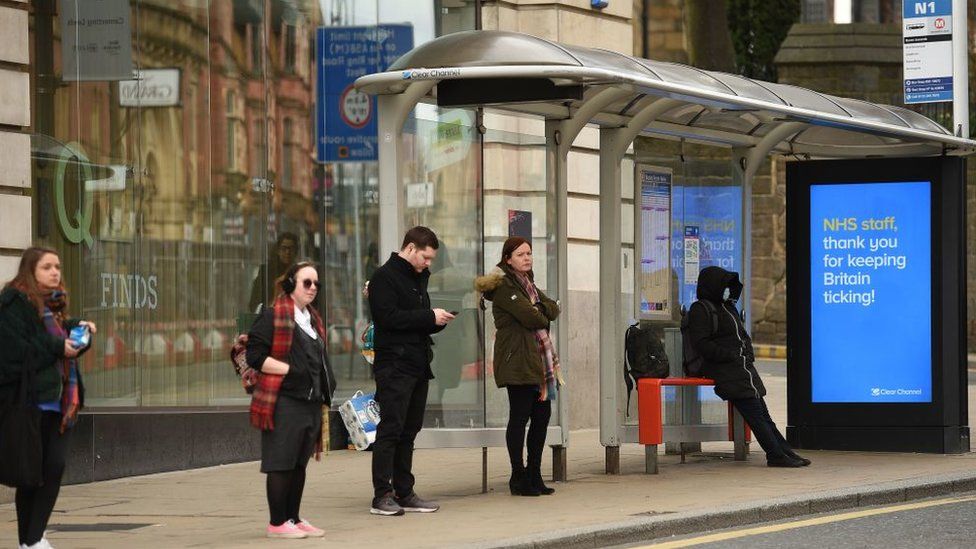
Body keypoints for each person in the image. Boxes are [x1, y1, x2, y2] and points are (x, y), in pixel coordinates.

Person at [0, 247, 97, 549]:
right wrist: (59, 347)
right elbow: (17, 351)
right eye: (46, 267)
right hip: (27, 403)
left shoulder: (53, 306)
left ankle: (33, 539)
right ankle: (30, 541)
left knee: (53, 468)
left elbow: (55, 334)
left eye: (57, 266)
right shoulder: (13, 304)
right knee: (31, 475)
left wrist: (78, 329)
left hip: (60, 403)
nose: (55, 272)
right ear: (31, 270)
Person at [367, 226, 454, 516]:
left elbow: (412, 321)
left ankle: (404, 492)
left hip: (416, 363)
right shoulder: (384, 277)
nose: (428, 264)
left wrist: (436, 321)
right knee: (390, 429)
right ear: (410, 248)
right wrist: (428, 315)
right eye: (426, 258)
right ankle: (382, 495)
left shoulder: (416, 278)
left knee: (409, 431)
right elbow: (388, 319)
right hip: (394, 365)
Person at [246, 261, 336, 539]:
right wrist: (288, 371)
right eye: (306, 282)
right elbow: (255, 356)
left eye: (316, 284)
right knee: (280, 463)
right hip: (284, 401)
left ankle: (293, 518)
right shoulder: (273, 316)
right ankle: (276, 523)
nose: (312, 288)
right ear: (290, 285)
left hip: (310, 401)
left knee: (299, 464)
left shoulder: (311, 320)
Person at [686, 265, 811, 468]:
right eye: (723, 285)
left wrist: (747, 356)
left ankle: (785, 452)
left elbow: (742, 336)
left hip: (743, 369)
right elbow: (702, 344)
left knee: (764, 415)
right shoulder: (701, 309)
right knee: (756, 417)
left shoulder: (727, 307)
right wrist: (730, 356)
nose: (726, 289)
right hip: (727, 370)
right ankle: (775, 455)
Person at [475, 237, 561, 496]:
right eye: (521, 254)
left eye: (529, 253)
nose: (527, 258)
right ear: (508, 258)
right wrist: (539, 310)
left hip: (536, 360)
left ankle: (534, 474)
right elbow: (531, 316)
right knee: (520, 417)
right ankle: (517, 475)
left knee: (542, 417)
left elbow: (553, 310)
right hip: (517, 360)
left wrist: (540, 309)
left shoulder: (528, 284)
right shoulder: (504, 286)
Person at [249, 232, 298, 313]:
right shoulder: (267, 271)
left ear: (295, 251)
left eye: (291, 249)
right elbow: (254, 302)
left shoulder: (299, 272)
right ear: (278, 251)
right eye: (284, 248)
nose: (287, 252)